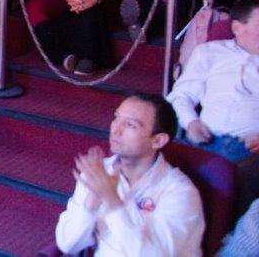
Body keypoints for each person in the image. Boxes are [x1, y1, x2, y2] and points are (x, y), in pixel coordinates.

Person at [55, 94, 204, 256]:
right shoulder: (98, 172)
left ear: (158, 141)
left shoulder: (180, 192)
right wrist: (92, 200)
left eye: (130, 125)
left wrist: (112, 200)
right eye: (116, 118)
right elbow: (67, 245)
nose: (116, 130)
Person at [168, 0, 259, 215]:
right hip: (203, 138)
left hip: (248, 148)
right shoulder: (209, 52)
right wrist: (191, 122)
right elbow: (180, 96)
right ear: (237, 28)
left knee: (242, 175)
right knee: (161, 167)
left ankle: (228, 241)